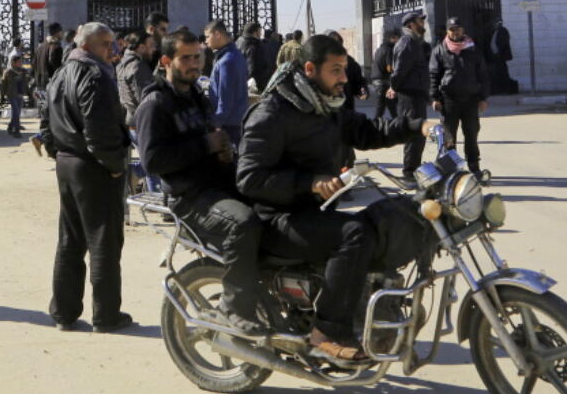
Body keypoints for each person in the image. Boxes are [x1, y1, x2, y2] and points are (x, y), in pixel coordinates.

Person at [236, 35, 421, 361]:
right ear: (310, 69)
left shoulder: (326, 106)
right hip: (276, 219)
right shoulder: (273, 114)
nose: (344, 79)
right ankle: (325, 332)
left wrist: (415, 126)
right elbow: (249, 179)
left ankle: (372, 309)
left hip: (314, 210)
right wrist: (309, 182)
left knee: (392, 217)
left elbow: (369, 130)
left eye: (345, 70)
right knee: (354, 234)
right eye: (336, 70)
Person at [136, 30, 264, 335]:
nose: (194, 64)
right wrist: (206, 146)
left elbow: (212, 137)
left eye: (198, 57)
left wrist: (223, 151)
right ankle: (235, 308)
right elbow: (152, 162)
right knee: (243, 224)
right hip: (190, 197)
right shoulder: (155, 104)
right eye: (186, 58)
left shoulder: (197, 96)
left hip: (218, 185)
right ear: (167, 61)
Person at [39, 22, 133, 333]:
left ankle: (64, 312)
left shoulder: (62, 72)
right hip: (92, 166)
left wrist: (58, 152)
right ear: (88, 45)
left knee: (71, 239)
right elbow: (99, 128)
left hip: (68, 163)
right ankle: (106, 315)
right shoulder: (93, 74)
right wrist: (114, 164)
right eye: (107, 44)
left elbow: (46, 120)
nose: (113, 50)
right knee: (103, 241)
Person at [429, 17, 490, 178]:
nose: (456, 32)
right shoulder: (440, 50)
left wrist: (483, 98)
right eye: (452, 29)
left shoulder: (473, 49)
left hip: (471, 99)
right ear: (447, 31)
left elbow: (483, 75)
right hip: (449, 100)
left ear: (463, 30)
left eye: (458, 29)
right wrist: (435, 98)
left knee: (471, 134)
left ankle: (474, 166)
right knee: (449, 137)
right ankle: (451, 170)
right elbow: (434, 75)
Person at [388, 11, 429, 179]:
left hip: (416, 94)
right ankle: (409, 172)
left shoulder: (414, 42)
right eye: (420, 20)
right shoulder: (407, 43)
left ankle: (413, 169)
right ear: (411, 24)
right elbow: (399, 71)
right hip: (410, 96)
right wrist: (393, 86)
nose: (423, 23)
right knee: (414, 134)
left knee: (418, 134)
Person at [205, 19, 249, 146]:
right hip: (237, 119)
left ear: (217, 34)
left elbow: (225, 99)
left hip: (229, 124)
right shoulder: (236, 54)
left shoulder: (226, 61)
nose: (206, 41)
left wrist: (216, 124)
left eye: (208, 36)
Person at [116, 31, 155, 127]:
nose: (154, 49)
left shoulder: (123, 63)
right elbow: (146, 100)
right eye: (151, 45)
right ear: (141, 47)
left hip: (129, 120)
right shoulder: (138, 66)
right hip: (140, 123)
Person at [324, 30, 367, 112]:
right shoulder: (319, 63)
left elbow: (358, 80)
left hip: (346, 108)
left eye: (337, 44)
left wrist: (362, 89)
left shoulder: (350, 62)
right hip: (327, 110)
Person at [236, 22, 274, 95]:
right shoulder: (253, 46)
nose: (261, 34)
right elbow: (252, 68)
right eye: (260, 31)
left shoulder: (238, 42)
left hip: (240, 83)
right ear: (255, 32)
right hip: (254, 85)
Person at [371, 29, 399, 120]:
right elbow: (389, 68)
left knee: (390, 105)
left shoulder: (379, 49)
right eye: (395, 38)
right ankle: (374, 127)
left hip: (377, 81)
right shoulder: (389, 50)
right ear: (390, 38)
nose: (397, 40)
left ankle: (397, 123)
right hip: (383, 82)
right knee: (381, 108)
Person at [34, 23, 65, 91]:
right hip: (52, 85)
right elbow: (57, 66)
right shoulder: (56, 47)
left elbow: (35, 66)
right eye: (61, 32)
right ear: (57, 33)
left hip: (40, 85)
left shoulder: (40, 47)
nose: (63, 34)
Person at [2, 54, 28, 137]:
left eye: (21, 61)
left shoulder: (23, 71)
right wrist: (2, 96)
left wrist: (29, 93)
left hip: (20, 94)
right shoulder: (8, 72)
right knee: (16, 112)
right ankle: (16, 131)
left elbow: (27, 82)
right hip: (12, 94)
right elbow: (3, 85)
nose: (21, 63)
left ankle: (10, 127)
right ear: (13, 62)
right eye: (19, 61)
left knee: (17, 113)